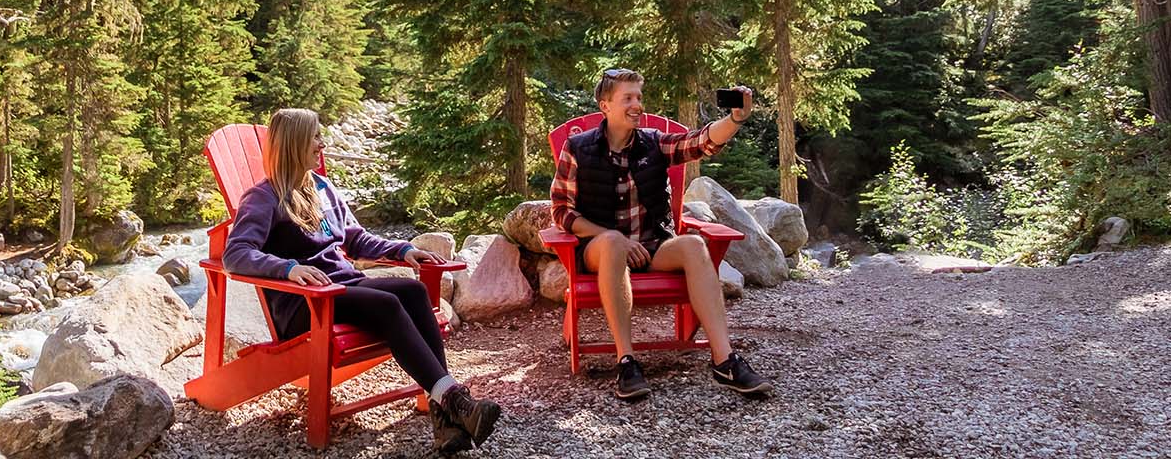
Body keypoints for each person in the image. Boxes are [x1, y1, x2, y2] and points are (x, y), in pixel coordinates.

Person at [223, 108, 502, 454]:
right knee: (385, 305)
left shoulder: (321, 187)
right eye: (315, 137)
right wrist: (289, 268)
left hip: (342, 285)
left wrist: (403, 251)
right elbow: (235, 254)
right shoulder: (263, 197)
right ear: (295, 143)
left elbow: (355, 239)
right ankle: (457, 402)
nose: (321, 144)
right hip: (306, 303)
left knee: (413, 291)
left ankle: (445, 417)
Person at [549, 68, 777, 400]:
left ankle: (724, 360)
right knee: (613, 241)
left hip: (652, 246)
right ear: (605, 105)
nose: (637, 105)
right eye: (627, 98)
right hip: (602, 251)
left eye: (639, 97)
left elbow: (701, 142)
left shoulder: (654, 143)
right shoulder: (577, 148)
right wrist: (616, 239)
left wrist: (735, 119)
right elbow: (561, 212)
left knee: (695, 245)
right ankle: (627, 362)